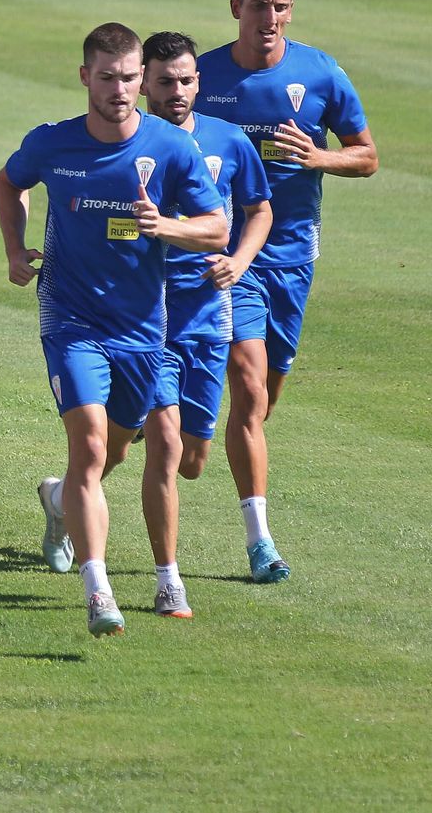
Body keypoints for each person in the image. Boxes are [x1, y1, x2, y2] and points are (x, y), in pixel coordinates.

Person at [0, 23, 226, 637]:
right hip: (71, 320)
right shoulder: (52, 145)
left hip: (143, 328)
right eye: (108, 77)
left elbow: (216, 229)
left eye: (130, 77)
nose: (120, 89)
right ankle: (103, 590)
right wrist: (16, 249)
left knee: (119, 450)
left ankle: (58, 500)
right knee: (93, 444)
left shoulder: (171, 149)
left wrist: (165, 228)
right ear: (85, 78)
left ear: (141, 80)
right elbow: (9, 181)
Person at [193, 0, 378, 583]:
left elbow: (367, 155)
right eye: (258, 5)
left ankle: (64, 494)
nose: (269, 18)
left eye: (281, 7)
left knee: (262, 402)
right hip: (224, 256)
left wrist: (320, 160)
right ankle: (260, 542)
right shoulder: (203, 77)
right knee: (246, 387)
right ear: (235, 7)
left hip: (293, 256)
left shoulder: (320, 74)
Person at [132, 31, 273, 618]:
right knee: (163, 448)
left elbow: (258, 208)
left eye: (188, 80)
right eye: (165, 81)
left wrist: (238, 262)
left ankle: (63, 497)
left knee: (193, 460)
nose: (179, 92)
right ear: (143, 82)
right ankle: (170, 583)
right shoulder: (128, 143)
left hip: (206, 317)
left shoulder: (227, 140)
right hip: (143, 318)